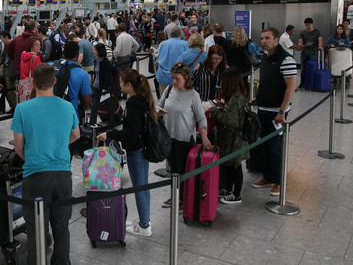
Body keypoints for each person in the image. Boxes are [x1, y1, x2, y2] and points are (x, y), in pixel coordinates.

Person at [11, 63, 79, 265]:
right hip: (62, 175)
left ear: (33, 83)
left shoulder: (22, 109)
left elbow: (18, 147)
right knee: (61, 226)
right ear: (55, 81)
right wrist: (57, 144)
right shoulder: (67, 106)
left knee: (36, 230)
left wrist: (33, 155)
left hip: (35, 176)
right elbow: (76, 135)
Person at [96, 68, 155, 236]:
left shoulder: (132, 104)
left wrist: (110, 134)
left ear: (128, 84)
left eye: (121, 83)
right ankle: (145, 220)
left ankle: (144, 225)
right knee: (144, 186)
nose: (120, 85)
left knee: (138, 187)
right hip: (143, 147)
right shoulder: (143, 99)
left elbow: (131, 132)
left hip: (136, 149)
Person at [157, 62, 210, 209]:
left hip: (185, 139)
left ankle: (182, 199)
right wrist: (159, 111)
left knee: (183, 171)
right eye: (173, 78)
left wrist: (204, 135)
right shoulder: (169, 90)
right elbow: (158, 105)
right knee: (174, 170)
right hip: (169, 137)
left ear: (186, 78)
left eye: (177, 78)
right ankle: (175, 197)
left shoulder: (193, 95)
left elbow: (201, 118)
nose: (174, 81)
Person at [252, 28, 298, 197]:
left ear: (276, 40)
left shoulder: (286, 59)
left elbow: (291, 86)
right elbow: (266, 82)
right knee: (264, 145)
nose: (264, 41)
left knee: (276, 148)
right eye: (262, 38)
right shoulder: (266, 57)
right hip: (263, 109)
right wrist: (259, 99)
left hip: (277, 112)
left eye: (267, 38)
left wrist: (282, 111)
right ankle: (267, 177)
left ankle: (279, 181)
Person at [208, 68, 249, 204]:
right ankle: (227, 189)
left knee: (235, 167)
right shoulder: (239, 95)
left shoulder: (234, 99)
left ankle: (236, 194)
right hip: (235, 138)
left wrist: (214, 110)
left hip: (234, 139)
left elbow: (230, 121)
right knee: (231, 165)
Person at [55, 41, 92, 118]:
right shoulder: (82, 74)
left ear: (63, 52)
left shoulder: (51, 67)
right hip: (71, 115)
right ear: (77, 55)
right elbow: (87, 101)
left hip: (51, 113)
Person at [155, 26, 188, 95]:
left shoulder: (163, 44)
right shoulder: (185, 44)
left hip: (163, 75)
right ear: (180, 34)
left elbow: (160, 57)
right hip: (179, 77)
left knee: (164, 99)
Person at [296, 18, 323, 88]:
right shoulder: (302, 32)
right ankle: (302, 83)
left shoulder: (317, 32)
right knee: (303, 69)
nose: (307, 27)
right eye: (306, 25)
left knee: (312, 68)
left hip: (313, 52)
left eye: (309, 25)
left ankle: (312, 83)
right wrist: (300, 46)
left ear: (312, 24)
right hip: (304, 53)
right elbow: (300, 41)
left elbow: (320, 40)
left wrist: (320, 46)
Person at [19, 36, 43, 102]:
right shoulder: (36, 58)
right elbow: (39, 74)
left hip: (23, 85)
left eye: (40, 45)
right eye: (36, 45)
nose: (39, 47)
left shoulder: (23, 56)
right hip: (33, 87)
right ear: (31, 46)